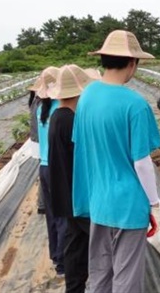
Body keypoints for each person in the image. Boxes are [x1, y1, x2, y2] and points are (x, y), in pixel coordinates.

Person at [72, 30, 160, 293]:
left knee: (99, 272)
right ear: (132, 63)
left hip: (98, 199)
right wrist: (154, 204)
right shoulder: (135, 104)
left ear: (104, 59)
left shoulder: (87, 96)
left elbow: (82, 145)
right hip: (128, 203)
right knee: (127, 276)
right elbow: (142, 163)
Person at [48, 65, 100, 293]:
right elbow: (84, 159)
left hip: (64, 193)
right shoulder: (70, 120)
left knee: (74, 246)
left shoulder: (57, 117)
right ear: (79, 91)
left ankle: (75, 288)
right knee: (103, 243)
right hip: (77, 195)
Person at [35, 66, 66, 276]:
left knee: (52, 215)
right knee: (64, 215)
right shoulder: (59, 109)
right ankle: (64, 262)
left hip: (44, 166)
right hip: (58, 167)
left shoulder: (41, 108)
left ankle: (56, 256)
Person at [27, 79, 45, 215]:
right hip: (40, 141)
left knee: (43, 170)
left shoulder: (34, 102)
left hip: (36, 141)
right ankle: (42, 203)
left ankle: (42, 203)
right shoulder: (40, 104)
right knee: (44, 170)